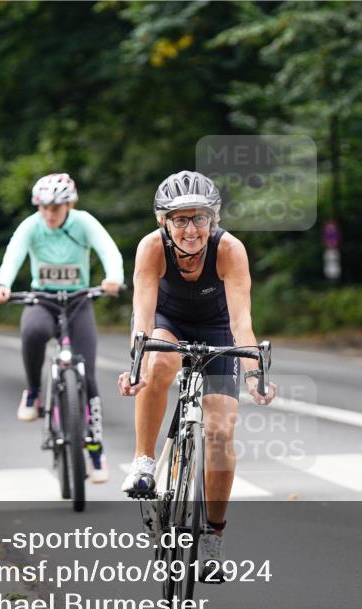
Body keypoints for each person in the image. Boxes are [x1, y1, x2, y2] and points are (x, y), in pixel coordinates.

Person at [117, 170, 275, 572]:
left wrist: (255, 372)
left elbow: (242, 322)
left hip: (218, 328)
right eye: (181, 219)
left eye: (200, 218)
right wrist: (135, 364)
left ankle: (213, 536)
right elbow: (143, 316)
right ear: (163, 222)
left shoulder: (229, 250)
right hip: (168, 323)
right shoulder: (151, 249)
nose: (191, 229)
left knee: (220, 432)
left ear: (213, 219)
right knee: (162, 359)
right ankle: (144, 460)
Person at [0, 172, 124, 484]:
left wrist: (113, 277)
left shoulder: (84, 223)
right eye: (44, 208)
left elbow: (108, 250)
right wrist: (2, 285)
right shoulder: (31, 226)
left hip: (78, 301)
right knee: (32, 332)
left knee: (87, 374)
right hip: (42, 299)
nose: (50, 214)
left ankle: (95, 451)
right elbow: (13, 256)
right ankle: (33, 392)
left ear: (70, 204)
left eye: (56, 208)